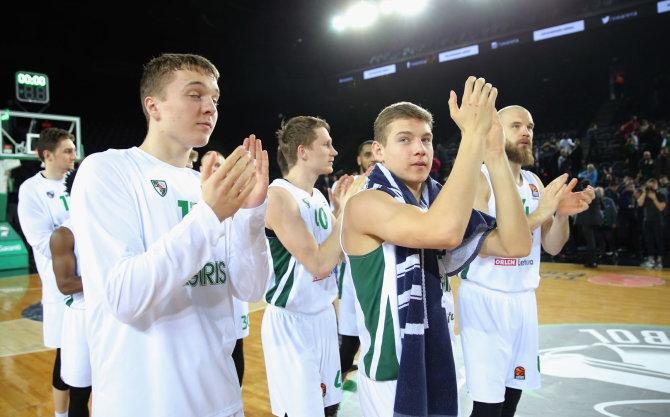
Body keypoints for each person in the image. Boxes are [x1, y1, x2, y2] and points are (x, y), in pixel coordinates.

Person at [70, 53, 271, 417]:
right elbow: (124, 296)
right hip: (144, 403)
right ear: (154, 106)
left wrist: (251, 217)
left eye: (215, 99)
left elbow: (252, 288)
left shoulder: (207, 186)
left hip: (221, 399)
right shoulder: (107, 170)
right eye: (195, 95)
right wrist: (210, 214)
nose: (209, 107)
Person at [341, 77, 534, 417]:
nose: (420, 149)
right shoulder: (366, 203)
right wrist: (473, 137)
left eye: (427, 140)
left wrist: (494, 155)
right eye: (405, 139)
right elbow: (443, 231)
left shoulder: (438, 202)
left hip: (438, 355)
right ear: (378, 151)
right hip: (394, 372)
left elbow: (517, 244)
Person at [457, 105, 594, 417]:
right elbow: (481, 244)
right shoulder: (478, 179)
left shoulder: (534, 182)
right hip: (485, 299)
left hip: (523, 299)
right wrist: (542, 213)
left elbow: (553, 246)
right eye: (516, 125)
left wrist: (559, 215)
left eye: (530, 126)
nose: (526, 132)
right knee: (488, 405)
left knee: (512, 399)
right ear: (496, 131)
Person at [262, 115, 362, 417]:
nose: (334, 151)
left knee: (330, 408)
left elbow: (341, 253)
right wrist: (346, 210)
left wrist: (343, 210)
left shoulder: (317, 196)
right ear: (303, 151)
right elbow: (319, 264)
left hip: (322, 317)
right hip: (292, 323)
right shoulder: (278, 196)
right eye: (326, 144)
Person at [17, 127, 78, 417]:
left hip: (89, 281)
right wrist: (74, 247)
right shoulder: (31, 190)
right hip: (61, 286)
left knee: (88, 356)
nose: (74, 156)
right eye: (67, 151)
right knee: (65, 358)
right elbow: (41, 241)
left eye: (74, 149)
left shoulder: (77, 184)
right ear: (47, 155)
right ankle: (60, 414)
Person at [198, 149, 249, 385]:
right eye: (212, 165)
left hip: (233, 289)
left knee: (236, 355)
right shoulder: (193, 201)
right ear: (200, 170)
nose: (217, 170)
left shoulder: (238, 199)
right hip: (205, 293)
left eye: (221, 165)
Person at [49, 167, 92, 417]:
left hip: (116, 312)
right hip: (82, 317)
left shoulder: (116, 224)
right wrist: (109, 277)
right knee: (79, 394)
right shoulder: (64, 233)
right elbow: (65, 283)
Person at [337, 139, 377, 382]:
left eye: (375, 152)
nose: (372, 157)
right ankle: (334, 394)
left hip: (381, 276)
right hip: (353, 275)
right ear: (359, 160)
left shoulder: (392, 186)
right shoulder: (348, 186)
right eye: (366, 154)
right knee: (349, 343)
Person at [637, 178, 666, 269]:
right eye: (650, 185)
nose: (651, 187)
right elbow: (639, 204)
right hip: (647, 221)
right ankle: (651, 260)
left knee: (659, 240)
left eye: (653, 185)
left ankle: (660, 260)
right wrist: (645, 193)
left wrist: (654, 199)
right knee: (649, 240)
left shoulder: (661, 195)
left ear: (657, 185)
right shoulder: (645, 195)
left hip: (657, 220)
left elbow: (661, 208)